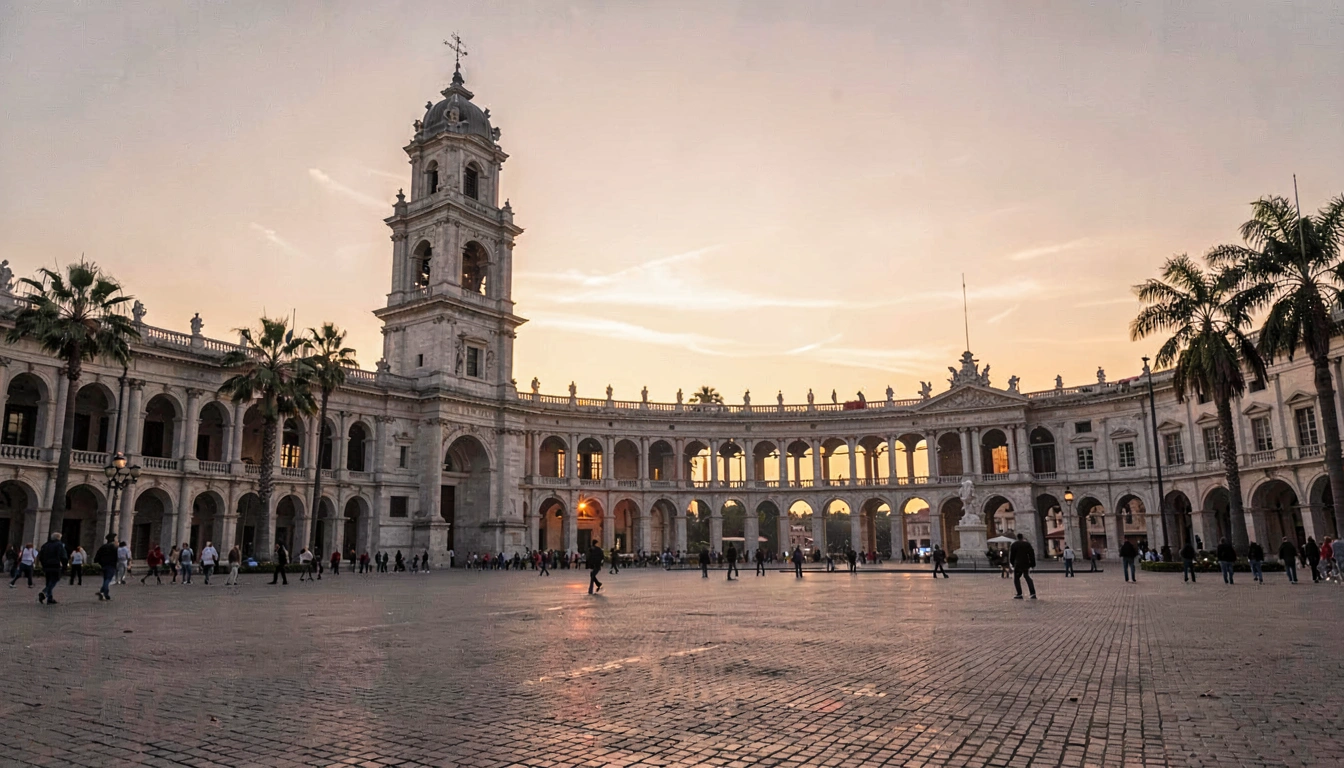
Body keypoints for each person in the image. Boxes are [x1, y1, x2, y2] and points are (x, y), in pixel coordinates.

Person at [37, 532, 67, 605]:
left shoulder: (45, 545)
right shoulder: (59, 545)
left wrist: (43, 564)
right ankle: (45, 592)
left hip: (46, 566)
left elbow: (40, 556)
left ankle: (49, 598)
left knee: (49, 581)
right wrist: (64, 566)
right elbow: (63, 556)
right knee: (55, 579)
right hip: (55, 565)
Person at [1008, 533, 1037, 599]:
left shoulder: (1014, 545)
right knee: (1027, 577)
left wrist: (1012, 563)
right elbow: (1031, 554)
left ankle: (1019, 593)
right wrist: (1032, 563)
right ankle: (1032, 593)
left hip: (1017, 563)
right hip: (1026, 563)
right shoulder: (1027, 544)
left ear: (1017, 537)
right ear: (1022, 537)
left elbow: (1012, 556)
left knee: (1016, 578)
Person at [93, 533, 119, 601]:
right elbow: (117, 556)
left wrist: (98, 562)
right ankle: (104, 593)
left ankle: (105, 593)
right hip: (111, 565)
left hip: (103, 565)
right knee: (108, 579)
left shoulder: (103, 547)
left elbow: (97, 556)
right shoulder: (114, 548)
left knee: (105, 579)